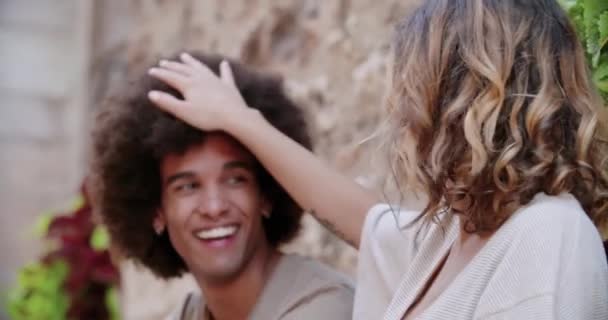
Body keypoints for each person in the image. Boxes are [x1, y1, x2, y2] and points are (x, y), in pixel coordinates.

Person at [147, 0, 608, 319]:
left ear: (461, 93)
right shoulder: (452, 235)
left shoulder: (548, 237)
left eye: (414, 79)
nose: (400, 104)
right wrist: (242, 121)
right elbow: (359, 217)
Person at [90, 52, 354, 320]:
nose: (214, 207)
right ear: (156, 212)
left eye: (235, 180)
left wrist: (241, 120)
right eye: (188, 187)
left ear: (265, 195)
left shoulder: (325, 307)